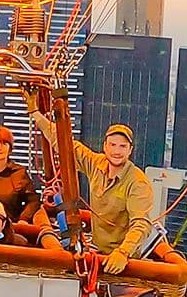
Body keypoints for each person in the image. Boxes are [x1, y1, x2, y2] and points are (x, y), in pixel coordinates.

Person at [29, 102, 155, 273]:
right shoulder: (97, 164)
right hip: (97, 249)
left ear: (130, 150)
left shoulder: (137, 182)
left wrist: (123, 253)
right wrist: (35, 112)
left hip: (122, 259)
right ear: (105, 146)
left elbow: (141, 223)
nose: (117, 151)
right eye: (113, 145)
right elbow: (65, 144)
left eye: (122, 146)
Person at [0, 125, 44, 221]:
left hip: (9, 227)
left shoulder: (19, 173)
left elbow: (33, 201)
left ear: (10, 149)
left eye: (4, 144)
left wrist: (23, 220)